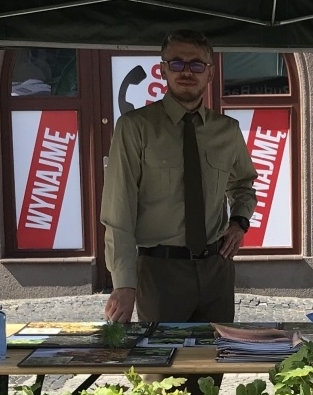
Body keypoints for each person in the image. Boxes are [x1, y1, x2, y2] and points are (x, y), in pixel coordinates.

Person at [102, 30, 258, 325]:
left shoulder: (227, 130)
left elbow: (243, 185)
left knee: (213, 366)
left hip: (216, 271)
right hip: (161, 273)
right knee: (161, 369)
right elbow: (117, 210)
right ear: (162, 70)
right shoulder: (135, 128)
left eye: (197, 65)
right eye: (177, 63)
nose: (187, 71)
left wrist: (239, 222)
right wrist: (123, 283)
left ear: (210, 73)